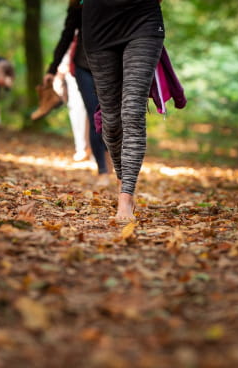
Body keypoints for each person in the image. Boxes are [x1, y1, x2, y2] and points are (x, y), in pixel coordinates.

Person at [82, 0, 165, 223]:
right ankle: (122, 180)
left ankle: (126, 197)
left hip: (143, 20)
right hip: (98, 26)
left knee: (132, 111)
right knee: (110, 120)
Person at [43, 0, 110, 185]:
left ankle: (112, 163)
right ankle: (103, 171)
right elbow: (67, 35)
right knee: (94, 115)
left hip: (110, 66)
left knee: (111, 117)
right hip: (83, 66)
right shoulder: (77, 4)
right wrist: (52, 69)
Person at [53, 50, 90, 162]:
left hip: (94, 69)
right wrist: (59, 75)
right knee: (77, 110)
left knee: (90, 111)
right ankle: (82, 148)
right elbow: (68, 46)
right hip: (74, 72)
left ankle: (91, 150)